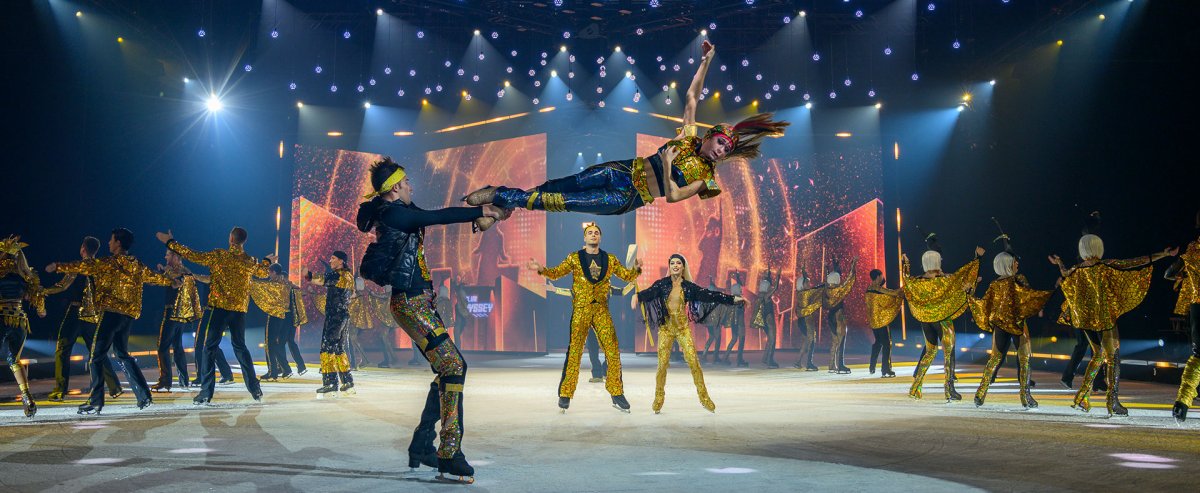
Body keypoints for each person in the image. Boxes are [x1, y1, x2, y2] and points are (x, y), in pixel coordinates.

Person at [463, 41, 788, 226]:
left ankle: (500, 195)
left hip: (626, 197)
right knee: (558, 186)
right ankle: (504, 208)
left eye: (726, 150)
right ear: (709, 136)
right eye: (721, 143)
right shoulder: (688, 136)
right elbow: (692, 97)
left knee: (563, 202)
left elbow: (674, 196)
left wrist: (666, 166)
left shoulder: (707, 179)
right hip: (621, 170)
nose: (721, 151)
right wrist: (706, 61)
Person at [356, 156, 505, 482]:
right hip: (410, 303)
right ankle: (448, 452)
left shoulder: (397, 209)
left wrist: (480, 208)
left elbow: (432, 213)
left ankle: (423, 443)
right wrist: (481, 210)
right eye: (406, 181)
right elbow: (437, 216)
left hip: (418, 301)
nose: (411, 185)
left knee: (448, 368)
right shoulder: (393, 214)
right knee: (454, 366)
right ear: (395, 187)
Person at [1050, 223, 1175, 416]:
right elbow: (1133, 262)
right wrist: (1162, 255)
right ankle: (1112, 401)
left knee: (1098, 355)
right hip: (1104, 320)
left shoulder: (1076, 270)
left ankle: (1082, 396)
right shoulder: (1105, 265)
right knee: (1113, 359)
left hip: (1085, 320)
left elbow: (1064, 273)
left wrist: (1059, 262)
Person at [50, 228, 174, 414]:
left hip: (110, 315)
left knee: (95, 357)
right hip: (127, 317)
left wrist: (58, 266)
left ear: (118, 243)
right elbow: (154, 277)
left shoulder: (109, 263)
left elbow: (84, 266)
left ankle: (95, 401)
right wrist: (170, 281)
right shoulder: (136, 264)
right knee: (122, 353)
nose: (108, 243)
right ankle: (144, 396)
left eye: (111, 240)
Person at [156, 227, 275, 405]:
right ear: (243, 241)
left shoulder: (219, 255)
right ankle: (255, 389)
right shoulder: (250, 261)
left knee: (209, 348)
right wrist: (266, 261)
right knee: (240, 348)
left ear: (231, 239)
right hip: (238, 312)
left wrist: (171, 243)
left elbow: (192, 255)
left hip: (218, 310)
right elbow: (264, 272)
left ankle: (206, 393)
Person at [532, 222, 642, 413]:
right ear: (584, 237)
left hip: (601, 311)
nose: (593, 235)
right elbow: (556, 273)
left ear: (600, 237)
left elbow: (626, 276)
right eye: (590, 232)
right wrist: (541, 269)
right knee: (574, 352)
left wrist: (636, 270)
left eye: (596, 232)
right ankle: (565, 394)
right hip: (581, 310)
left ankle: (616, 392)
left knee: (613, 350)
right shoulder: (574, 258)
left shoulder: (610, 259)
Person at [635, 254, 743, 413]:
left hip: (682, 329)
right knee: (662, 365)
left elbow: (710, 295)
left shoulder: (688, 287)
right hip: (666, 329)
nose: (675, 265)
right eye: (672, 263)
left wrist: (732, 299)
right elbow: (648, 293)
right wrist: (637, 296)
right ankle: (658, 398)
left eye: (678, 263)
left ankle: (704, 397)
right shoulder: (662, 284)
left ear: (683, 267)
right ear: (669, 266)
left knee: (693, 362)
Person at [968, 235, 1052, 408]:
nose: (1017, 264)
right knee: (1024, 359)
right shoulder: (1018, 280)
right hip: (1017, 325)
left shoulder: (994, 284)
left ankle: (980, 393)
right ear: (1008, 264)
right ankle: (1025, 397)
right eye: (1014, 262)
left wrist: (971, 296)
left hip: (1000, 326)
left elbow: (985, 304)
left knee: (994, 359)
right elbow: (1029, 295)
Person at [902, 233, 983, 402]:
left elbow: (906, 281)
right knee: (949, 353)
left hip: (926, 322)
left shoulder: (917, 281)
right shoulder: (945, 280)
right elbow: (962, 280)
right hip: (943, 321)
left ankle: (915, 387)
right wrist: (977, 260)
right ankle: (949, 389)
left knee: (930, 352)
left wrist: (906, 264)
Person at [44, 236, 121, 401]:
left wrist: (44, 291)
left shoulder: (77, 267)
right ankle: (115, 387)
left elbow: (62, 286)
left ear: (83, 249)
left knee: (63, 350)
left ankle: (60, 390)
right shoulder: (100, 268)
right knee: (98, 352)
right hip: (92, 315)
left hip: (75, 313)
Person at [1, 236, 46, 417]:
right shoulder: (25, 275)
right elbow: (38, 297)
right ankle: (27, 397)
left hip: (1, 318)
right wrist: (41, 310)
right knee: (14, 360)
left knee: (13, 359)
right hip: (19, 321)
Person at [1166, 210, 1200, 423]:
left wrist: (1186, 274)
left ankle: (1182, 403)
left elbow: (1168, 273)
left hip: (1197, 308)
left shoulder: (1191, 251)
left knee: (1198, 356)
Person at [306, 252, 355, 395]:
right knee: (339, 348)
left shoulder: (337, 275)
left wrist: (307, 275)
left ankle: (330, 382)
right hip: (344, 315)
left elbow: (321, 279)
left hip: (335, 316)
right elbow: (352, 294)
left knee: (327, 347)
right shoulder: (349, 276)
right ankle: (347, 381)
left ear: (341, 261)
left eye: (333, 258)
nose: (330, 260)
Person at [152, 249, 202, 391]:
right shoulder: (184, 270)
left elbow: (176, 283)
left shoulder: (180, 271)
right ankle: (183, 380)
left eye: (168, 254)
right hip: (180, 315)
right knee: (178, 346)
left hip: (172, 313)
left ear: (175, 256)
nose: (165, 257)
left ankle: (165, 380)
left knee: (163, 346)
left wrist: (165, 272)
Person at [250, 263, 308, 379]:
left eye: (269, 272)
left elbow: (260, 285)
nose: (268, 275)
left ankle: (276, 371)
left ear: (274, 272)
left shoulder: (276, 284)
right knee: (281, 343)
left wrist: (249, 278)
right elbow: (300, 292)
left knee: (273, 344)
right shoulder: (287, 284)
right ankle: (285, 369)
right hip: (288, 317)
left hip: (279, 316)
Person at [823, 258, 857, 374]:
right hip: (839, 316)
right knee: (841, 340)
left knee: (834, 341)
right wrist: (853, 265)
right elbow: (849, 280)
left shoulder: (827, 289)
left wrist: (827, 269)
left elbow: (828, 279)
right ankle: (841, 365)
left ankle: (831, 364)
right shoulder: (840, 289)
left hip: (830, 316)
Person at [750, 268, 781, 368]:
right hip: (769, 318)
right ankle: (769, 360)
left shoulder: (759, 296)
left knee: (770, 339)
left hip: (763, 318)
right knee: (772, 339)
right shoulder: (767, 295)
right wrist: (778, 275)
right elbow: (775, 287)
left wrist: (767, 275)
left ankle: (765, 358)